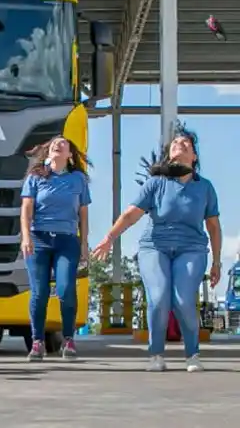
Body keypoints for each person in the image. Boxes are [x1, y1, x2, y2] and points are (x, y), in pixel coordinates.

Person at [92, 126, 224, 372]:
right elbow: (131, 214)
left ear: (194, 157)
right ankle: (156, 354)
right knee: (159, 296)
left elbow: (214, 228)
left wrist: (217, 262)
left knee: (184, 300)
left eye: (186, 143)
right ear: (169, 154)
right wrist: (109, 237)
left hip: (192, 248)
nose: (180, 145)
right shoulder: (156, 184)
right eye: (175, 143)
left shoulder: (205, 187)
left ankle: (192, 354)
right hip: (154, 246)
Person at [20, 135, 91, 362]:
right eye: (53, 145)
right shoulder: (36, 177)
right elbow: (26, 209)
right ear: (48, 153)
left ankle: (69, 339)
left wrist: (84, 243)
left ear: (70, 154)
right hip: (39, 239)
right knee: (39, 292)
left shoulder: (78, 179)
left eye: (63, 144)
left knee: (65, 289)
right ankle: (37, 341)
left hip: (67, 240)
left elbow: (83, 213)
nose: (57, 145)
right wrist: (26, 237)